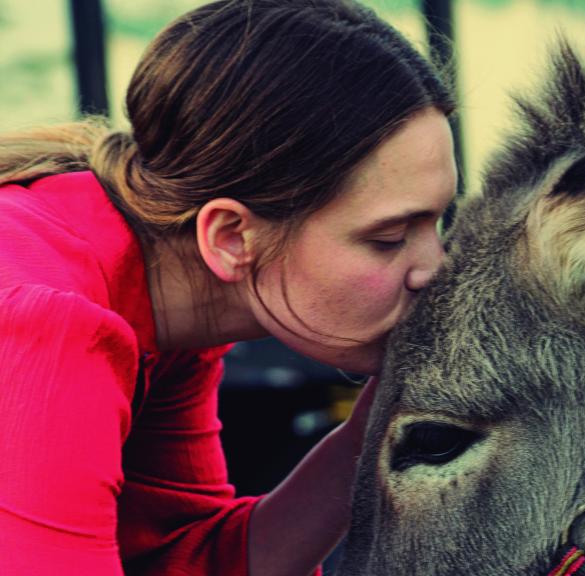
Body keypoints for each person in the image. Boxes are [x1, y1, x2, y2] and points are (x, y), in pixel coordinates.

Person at [0, 0, 457, 574]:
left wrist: (371, 433)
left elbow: (185, 559)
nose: (434, 270)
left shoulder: (163, 311)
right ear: (232, 236)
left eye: (438, 223)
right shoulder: (41, 331)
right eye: (389, 238)